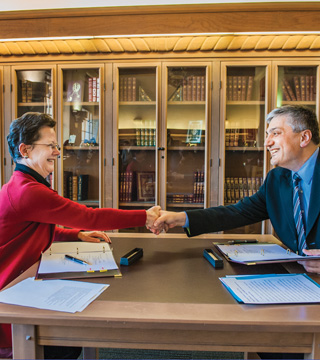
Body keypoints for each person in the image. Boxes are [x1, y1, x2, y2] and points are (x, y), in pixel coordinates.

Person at [152, 104, 320, 359]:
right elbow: (238, 212)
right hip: (299, 288)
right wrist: (181, 218)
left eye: (275, 133)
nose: (267, 143)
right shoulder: (278, 179)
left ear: (304, 137)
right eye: (267, 135)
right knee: (267, 340)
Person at [0, 112, 160, 359]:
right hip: (10, 293)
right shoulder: (28, 191)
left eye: (57, 145)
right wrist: (144, 217)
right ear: (25, 149)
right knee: (68, 343)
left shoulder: (21, 184)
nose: (57, 152)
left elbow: (36, 228)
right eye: (50, 145)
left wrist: (77, 235)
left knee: (71, 340)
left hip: (20, 281)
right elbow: (90, 216)